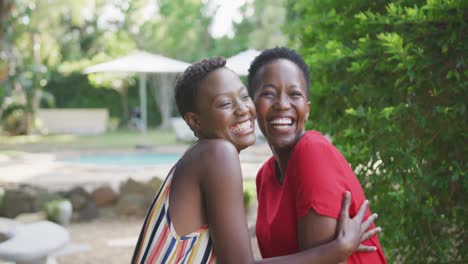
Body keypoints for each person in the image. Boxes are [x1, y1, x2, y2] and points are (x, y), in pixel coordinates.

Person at [132, 57, 380, 264]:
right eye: (226, 103)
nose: (242, 109)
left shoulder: (200, 157)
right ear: (195, 121)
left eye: (243, 97)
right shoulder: (218, 154)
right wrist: (336, 250)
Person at [247, 47, 387, 263]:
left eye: (294, 94)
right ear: (252, 106)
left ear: (307, 108)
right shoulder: (265, 176)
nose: (282, 104)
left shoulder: (312, 151)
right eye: (268, 94)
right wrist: (336, 249)